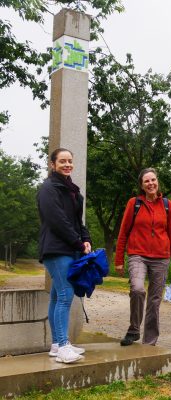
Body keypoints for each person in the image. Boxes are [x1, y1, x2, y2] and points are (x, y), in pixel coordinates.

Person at [115, 167, 171, 346]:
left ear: (157, 182)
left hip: (161, 258)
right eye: (146, 181)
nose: (150, 183)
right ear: (142, 185)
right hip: (137, 255)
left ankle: (150, 342)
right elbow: (123, 232)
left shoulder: (168, 206)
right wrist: (118, 260)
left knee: (154, 301)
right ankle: (133, 330)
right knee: (137, 289)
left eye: (153, 180)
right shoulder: (134, 204)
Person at [37, 148, 91, 364]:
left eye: (70, 161)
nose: (67, 164)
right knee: (66, 295)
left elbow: (79, 222)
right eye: (62, 161)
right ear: (52, 164)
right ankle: (63, 345)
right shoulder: (48, 189)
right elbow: (57, 221)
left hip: (69, 248)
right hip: (56, 249)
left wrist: (86, 239)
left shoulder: (72, 191)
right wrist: (77, 242)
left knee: (57, 296)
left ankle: (57, 345)